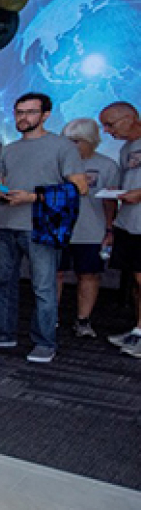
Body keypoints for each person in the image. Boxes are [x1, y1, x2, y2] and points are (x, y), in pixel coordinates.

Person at [0, 93, 86, 363]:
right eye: (19, 112)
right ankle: (3, 332)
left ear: (46, 115)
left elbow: (79, 187)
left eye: (30, 112)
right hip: (8, 222)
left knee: (43, 287)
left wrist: (34, 197)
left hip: (41, 224)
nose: (23, 117)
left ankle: (45, 341)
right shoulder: (10, 148)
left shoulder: (62, 146)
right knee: (1, 283)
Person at [56, 118, 119, 339]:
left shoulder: (107, 165)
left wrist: (109, 230)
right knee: (55, 273)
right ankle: (49, 318)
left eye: (76, 141)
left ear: (90, 140)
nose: (71, 146)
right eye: (67, 140)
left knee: (89, 275)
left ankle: (83, 320)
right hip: (59, 229)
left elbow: (110, 202)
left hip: (92, 230)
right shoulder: (58, 162)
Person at [100, 102, 141, 357]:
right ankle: (138, 330)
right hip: (128, 223)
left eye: (110, 124)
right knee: (135, 280)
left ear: (129, 118)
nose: (106, 131)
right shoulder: (127, 149)